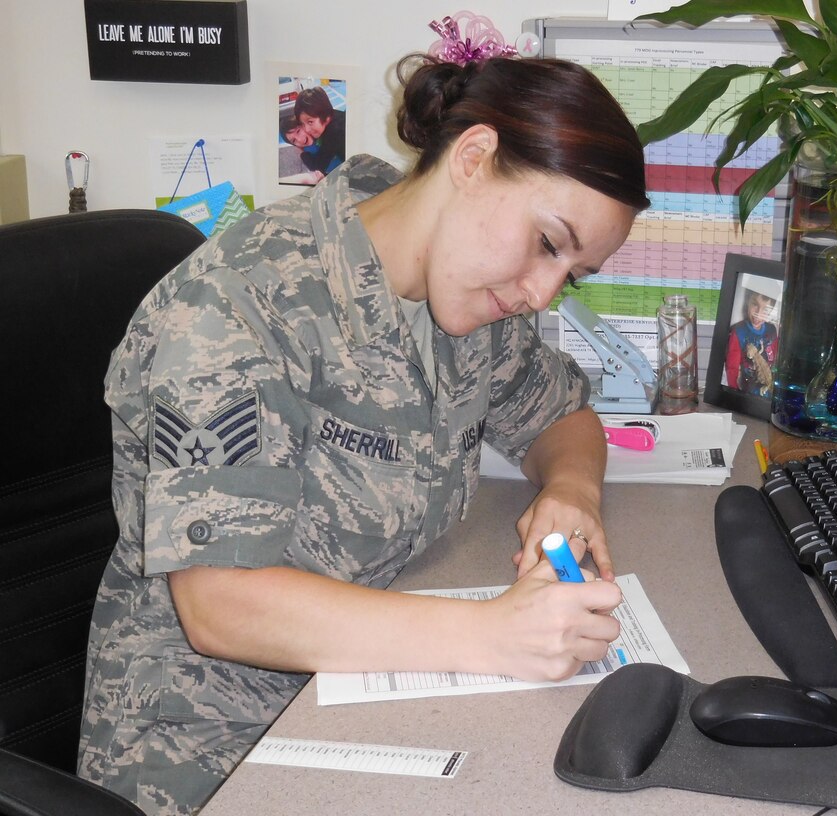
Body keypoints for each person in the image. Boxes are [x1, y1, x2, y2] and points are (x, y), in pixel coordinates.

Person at [77, 50, 649, 816]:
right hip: (210, 744)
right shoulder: (240, 301)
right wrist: (490, 635)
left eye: (570, 273)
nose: (542, 292)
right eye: (549, 243)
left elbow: (560, 415)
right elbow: (219, 604)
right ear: (474, 158)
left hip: (365, 688)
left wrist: (572, 492)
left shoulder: (462, 293)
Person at [725, 289, 778, 395]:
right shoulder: (738, 331)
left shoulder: (772, 329)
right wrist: (733, 393)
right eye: (755, 304)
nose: (759, 314)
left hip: (770, 381)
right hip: (750, 386)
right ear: (747, 301)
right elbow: (732, 368)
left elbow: (776, 359)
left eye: (766, 310)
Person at [293, 85, 346, 175]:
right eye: (302, 124)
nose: (307, 129)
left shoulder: (334, 133)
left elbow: (318, 167)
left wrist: (301, 152)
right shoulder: (335, 114)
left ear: (326, 118)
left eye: (310, 122)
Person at [277, 111, 328, 185]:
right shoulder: (308, 149)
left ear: (304, 125)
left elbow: (319, 167)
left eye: (298, 131)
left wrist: (303, 154)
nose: (300, 140)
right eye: (294, 140)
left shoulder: (325, 132)